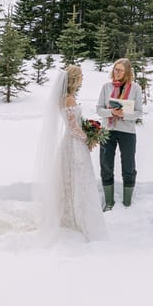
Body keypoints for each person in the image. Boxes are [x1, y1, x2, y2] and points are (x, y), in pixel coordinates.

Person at [33, 64, 107, 241]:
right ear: (74, 78)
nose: (82, 78)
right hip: (74, 144)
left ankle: (70, 213)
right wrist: (89, 138)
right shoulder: (69, 100)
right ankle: (79, 216)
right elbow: (74, 128)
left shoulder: (65, 98)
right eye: (80, 75)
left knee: (70, 178)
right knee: (78, 178)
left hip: (70, 142)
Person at [94, 57, 143, 210]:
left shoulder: (135, 88)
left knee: (128, 165)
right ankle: (109, 202)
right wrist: (111, 112)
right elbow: (99, 109)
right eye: (115, 69)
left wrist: (123, 114)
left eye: (120, 70)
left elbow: (138, 112)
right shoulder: (106, 87)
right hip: (108, 130)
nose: (116, 72)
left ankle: (127, 202)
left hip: (127, 131)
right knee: (106, 164)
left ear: (127, 72)